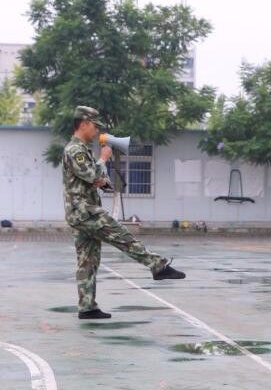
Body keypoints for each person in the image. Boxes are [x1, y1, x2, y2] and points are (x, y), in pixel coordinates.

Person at [64, 106, 185, 320]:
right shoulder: (75, 150)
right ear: (83, 123)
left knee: (87, 261)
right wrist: (103, 159)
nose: (96, 130)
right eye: (94, 125)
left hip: (80, 212)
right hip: (85, 211)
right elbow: (93, 176)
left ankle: (87, 307)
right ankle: (157, 266)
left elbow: (97, 181)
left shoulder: (79, 149)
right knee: (122, 236)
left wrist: (99, 177)